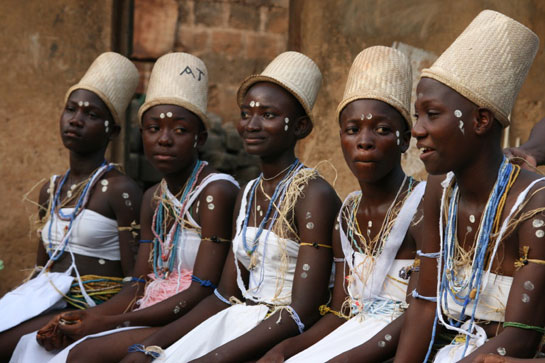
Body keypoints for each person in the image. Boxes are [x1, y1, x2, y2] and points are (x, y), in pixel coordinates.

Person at [10, 52, 239, 363]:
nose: (164, 139)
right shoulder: (152, 198)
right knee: (36, 346)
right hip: (150, 313)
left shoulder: (216, 191)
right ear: (140, 133)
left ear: (200, 138)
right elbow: (139, 283)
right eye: (153, 128)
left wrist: (105, 321)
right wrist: (88, 319)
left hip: (197, 317)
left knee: (81, 355)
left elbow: (202, 290)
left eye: (180, 130)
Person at [117, 51, 341, 363]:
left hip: (282, 332)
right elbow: (224, 295)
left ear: (300, 127)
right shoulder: (249, 192)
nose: (252, 124)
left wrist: (215, 357)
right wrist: (153, 344)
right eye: (246, 113)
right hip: (238, 318)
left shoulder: (313, 194)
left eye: (268, 115)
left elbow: (303, 309)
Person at [395, 10, 545, 362]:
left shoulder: (534, 203)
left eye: (432, 114)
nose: (417, 130)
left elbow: (520, 340)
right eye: (417, 115)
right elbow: (425, 306)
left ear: (480, 120)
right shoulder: (440, 189)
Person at [259, 46, 426, 363]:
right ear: (340, 137)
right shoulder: (346, 214)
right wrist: (285, 349)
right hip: (349, 336)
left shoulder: (422, 208)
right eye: (353, 130)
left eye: (382, 130)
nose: (364, 141)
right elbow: (341, 310)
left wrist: (345, 359)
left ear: (405, 139)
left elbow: (419, 313)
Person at [0, 52, 141, 361]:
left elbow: (136, 280)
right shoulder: (51, 189)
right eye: (71, 109)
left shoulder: (120, 190)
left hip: (90, 308)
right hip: (45, 300)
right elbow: (42, 268)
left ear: (112, 130)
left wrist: (97, 321)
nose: (76, 119)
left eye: (91, 114)